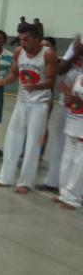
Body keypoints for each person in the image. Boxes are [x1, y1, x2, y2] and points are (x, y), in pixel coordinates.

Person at [0, 23, 57, 193]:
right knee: (12, 139)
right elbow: (13, 74)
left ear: (36, 37)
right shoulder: (19, 51)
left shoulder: (48, 54)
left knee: (33, 143)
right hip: (22, 101)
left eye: (26, 39)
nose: (22, 43)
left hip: (40, 104)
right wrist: (0, 82)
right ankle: (5, 177)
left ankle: (25, 182)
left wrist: (36, 87)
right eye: (20, 39)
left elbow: (51, 81)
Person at [39, 37, 83, 192]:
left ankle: (76, 190)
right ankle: (53, 181)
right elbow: (60, 70)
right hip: (67, 104)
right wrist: (75, 54)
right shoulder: (76, 45)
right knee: (60, 144)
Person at [56, 71, 83, 209]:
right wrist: (69, 99)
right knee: (67, 159)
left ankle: (74, 198)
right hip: (73, 122)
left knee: (80, 163)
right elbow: (73, 101)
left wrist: (80, 101)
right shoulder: (79, 77)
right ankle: (64, 193)